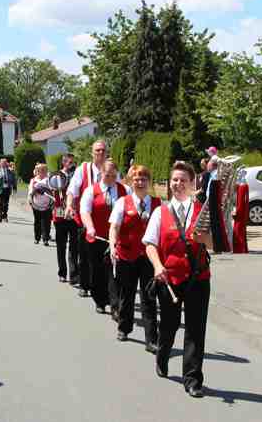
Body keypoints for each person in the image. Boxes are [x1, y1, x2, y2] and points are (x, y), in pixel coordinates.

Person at [143, 161, 212, 398]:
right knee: (169, 326)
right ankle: (162, 356)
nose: (178, 184)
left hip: (198, 278)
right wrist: (158, 266)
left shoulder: (202, 211)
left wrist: (206, 239)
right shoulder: (160, 212)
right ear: (169, 184)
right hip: (169, 278)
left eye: (183, 180)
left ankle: (192, 379)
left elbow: (217, 245)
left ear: (192, 184)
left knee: (195, 329)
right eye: (175, 180)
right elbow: (150, 244)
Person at [108, 165, 161, 346]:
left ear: (149, 182)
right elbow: (114, 227)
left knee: (149, 298)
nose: (140, 182)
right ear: (131, 181)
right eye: (137, 179)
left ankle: (151, 339)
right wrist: (112, 245)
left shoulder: (158, 204)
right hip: (126, 255)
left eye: (143, 179)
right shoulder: (122, 202)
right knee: (126, 294)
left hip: (148, 257)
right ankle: (124, 328)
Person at [79, 159, 129, 316]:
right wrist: (90, 227)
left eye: (114, 176)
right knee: (97, 272)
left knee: (115, 272)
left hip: (117, 239)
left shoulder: (124, 190)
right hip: (97, 238)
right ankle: (99, 300)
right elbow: (85, 211)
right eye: (108, 175)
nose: (111, 179)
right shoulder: (91, 191)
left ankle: (115, 305)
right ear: (101, 174)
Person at [66, 140, 111, 297]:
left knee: (103, 258)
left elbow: (122, 190)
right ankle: (84, 285)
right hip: (84, 219)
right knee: (84, 255)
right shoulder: (83, 169)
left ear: (107, 153)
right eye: (97, 150)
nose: (100, 153)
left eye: (103, 150)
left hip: (105, 222)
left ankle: (101, 289)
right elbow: (72, 189)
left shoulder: (112, 170)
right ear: (92, 153)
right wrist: (70, 205)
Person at [53, 154, 79, 284]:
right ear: (64, 163)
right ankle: (62, 272)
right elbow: (53, 189)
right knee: (61, 245)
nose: (72, 165)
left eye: (73, 163)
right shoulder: (56, 175)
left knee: (75, 246)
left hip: (74, 213)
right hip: (60, 212)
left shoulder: (77, 175)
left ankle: (74, 275)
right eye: (69, 162)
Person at [28, 163, 53, 245]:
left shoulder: (49, 180)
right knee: (37, 221)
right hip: (36, 204)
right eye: (39, 170)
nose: (41, 172)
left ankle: (45, 238)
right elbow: (30, 192)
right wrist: (30, 199)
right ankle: (37, 238)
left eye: (43, 170)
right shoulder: (33, 180)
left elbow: (52, 190)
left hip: (47, 204)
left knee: (46, 222)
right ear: (37, 171)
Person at [0, 158, 16, 223]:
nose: (4, 164)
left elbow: (13, 180)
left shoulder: (10, 171)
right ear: (0, 163)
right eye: (3, 163)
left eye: (5, 163)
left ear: (6, 164)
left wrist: (14, 188)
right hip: (0, 189)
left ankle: (4, 215)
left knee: (5, 204)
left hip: (7, 189)